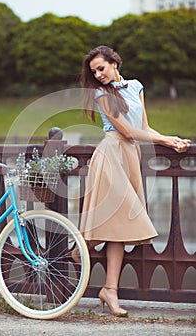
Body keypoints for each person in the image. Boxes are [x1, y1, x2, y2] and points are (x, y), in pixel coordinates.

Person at [72, 45, 191, 317]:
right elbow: (125, 131)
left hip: (130, 156)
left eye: (101, 68)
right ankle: (76, 248)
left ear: (114, 62)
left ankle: (109, 291)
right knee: (119, 218)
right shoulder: (101, 94)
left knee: (121, 225)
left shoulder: (136, 86)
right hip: (111, 153)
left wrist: (170, 139)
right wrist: (162, 140)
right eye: (94, 72)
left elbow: (144, 127)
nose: (98, 75)